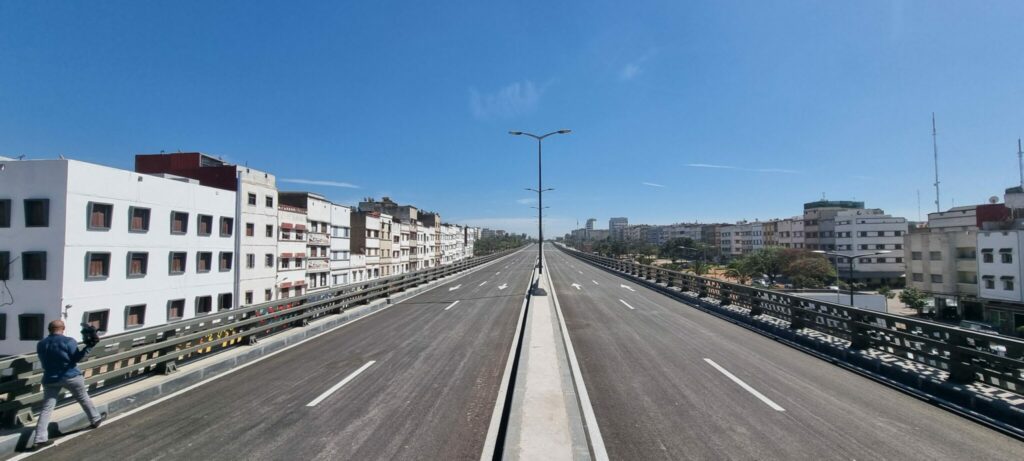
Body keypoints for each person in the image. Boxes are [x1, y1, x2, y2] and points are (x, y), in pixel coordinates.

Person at [32, 320, 106, 449]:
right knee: (83, 398)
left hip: (50, 378)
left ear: (49, 329)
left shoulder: (41, 344)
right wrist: (89, 346)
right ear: (63, 328)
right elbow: (77, 358)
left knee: (47, 408)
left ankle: (39, 439)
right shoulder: (69, 341)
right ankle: (95, 419)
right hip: (70, 375)